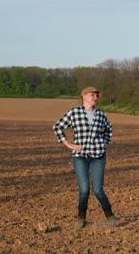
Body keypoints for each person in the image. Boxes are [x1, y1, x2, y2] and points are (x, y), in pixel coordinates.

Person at [53, 86, 116, 229]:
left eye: (97, 96)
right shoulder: (74, 113)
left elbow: (109, 128)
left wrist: (105, 141)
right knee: (84, 189)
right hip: (80, 156)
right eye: (92, 95)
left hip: (98, 155)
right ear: (84, 96)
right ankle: (81, 218)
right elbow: (57, 127)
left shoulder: (101, 114)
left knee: (98, 189)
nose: (95, 98)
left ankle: (110, 215)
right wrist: (68, 144)